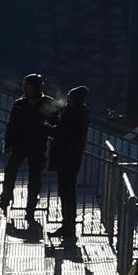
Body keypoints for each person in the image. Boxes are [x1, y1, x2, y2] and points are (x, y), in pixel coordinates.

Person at [1, 74, 51, 228]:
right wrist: (8, 143)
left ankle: (30, 209)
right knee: (10, 170)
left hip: (37, 145)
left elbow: (54, 121)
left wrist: (46, 129)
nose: (25, 88)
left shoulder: (47, 103)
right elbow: (11, 124)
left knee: (34, 177)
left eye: (27, 85)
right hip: (19, 143)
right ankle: (5, 198)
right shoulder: (19, 103)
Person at [47, 85, 92, 247]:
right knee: (66, 192)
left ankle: (68, 227)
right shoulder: (79, 113)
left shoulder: (75, 114)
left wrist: (47, 128)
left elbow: (63, 132)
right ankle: (67, 226)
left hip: (68, 157)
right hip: (71, 157)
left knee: (67, 192)